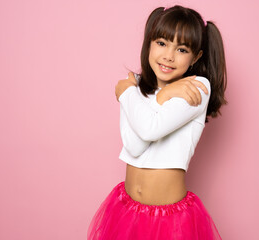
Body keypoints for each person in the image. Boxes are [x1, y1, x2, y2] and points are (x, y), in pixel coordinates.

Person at [87, 5, 227, 240]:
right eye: (161, 43)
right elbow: (135, 146)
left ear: (196, 57)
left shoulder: (197, 88)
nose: (169, 56)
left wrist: (134, 94)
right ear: (149, 43)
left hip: (170, 220)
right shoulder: (137, 86)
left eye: (181, 49)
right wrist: (155, 94)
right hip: (126, 210)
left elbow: (149, 128)